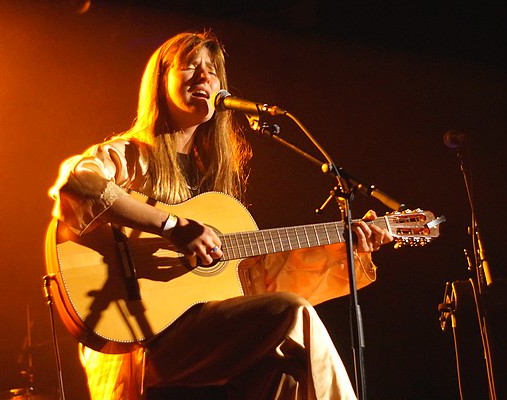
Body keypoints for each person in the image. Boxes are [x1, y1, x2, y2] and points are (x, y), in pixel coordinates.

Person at [49, 31, 393, 400]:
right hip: (141, 340)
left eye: (212, 71)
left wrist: (344, 246)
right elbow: (78, 183)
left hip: (204, 336)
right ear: (160, 81)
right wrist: (172, 226)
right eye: (189, 66)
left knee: (288, 373)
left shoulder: (213, 179)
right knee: (295, 313)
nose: (203, 76)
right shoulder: (131, 155)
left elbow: (256, 285)